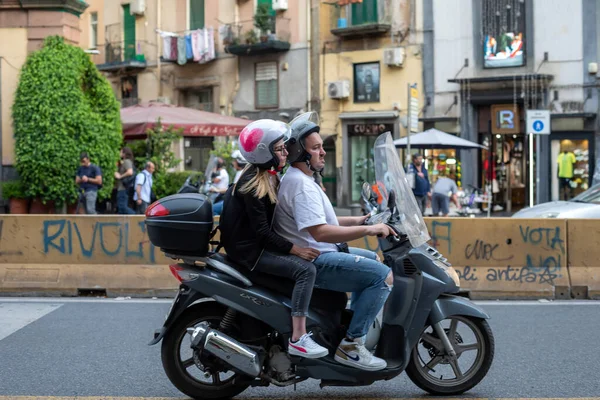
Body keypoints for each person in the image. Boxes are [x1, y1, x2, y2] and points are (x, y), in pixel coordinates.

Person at [274, 113, 396, 371]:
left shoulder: (303, 180)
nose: (323, 153)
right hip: (317, 259)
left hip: (320, 253)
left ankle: (349, 325)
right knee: (382, 276)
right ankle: (352, 345)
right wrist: (370, 229)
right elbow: (321, 233)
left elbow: (326, 220)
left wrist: (362, 220)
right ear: (301, 153)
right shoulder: (301, 185)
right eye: (316, 148)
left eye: (321, 147)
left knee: (373, 259)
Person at [219, 119, 328, 359]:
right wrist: (295, 250)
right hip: (250, 254)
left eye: (284, 147)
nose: (286, 153)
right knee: (305, 271)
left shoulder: (266, 176)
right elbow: (263, 233)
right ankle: (299, 338)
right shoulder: (253, 185)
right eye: (279, 149)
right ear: (264, 154)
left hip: (255, 248)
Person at [114, 147, 136, 215]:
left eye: (121, 152)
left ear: (124, 153)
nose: (119, 153)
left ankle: (136, 217)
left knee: (122, 207)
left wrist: (120, 176)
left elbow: (130, 172)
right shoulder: (124, 162)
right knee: (120, 210)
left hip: (122, 188)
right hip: (122, 188)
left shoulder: (126, 161)